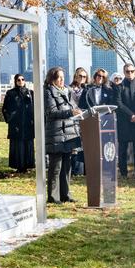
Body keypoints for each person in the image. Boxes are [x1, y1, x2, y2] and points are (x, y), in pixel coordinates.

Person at [42, 67, 82, 204]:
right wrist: (70, 112)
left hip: (69, 133)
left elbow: (74, 108)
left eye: (63, 77)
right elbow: (51, 112)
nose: (61, 80)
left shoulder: (68, 91)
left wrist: (78, 112)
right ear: (52, 78)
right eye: (58, 77)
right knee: (56, 167)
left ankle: (66, 195)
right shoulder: (48, 92)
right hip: (56, 134)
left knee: (67, 166)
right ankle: (53, 197)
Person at [114, 64, 135, 179]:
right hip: (124, 121)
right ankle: (123, 173)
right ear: (124, 72)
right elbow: (118, 103)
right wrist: (131, 114)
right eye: (127, 71)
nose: (129, 73)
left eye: (132, 71)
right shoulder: (120, 86)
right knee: (122, 149)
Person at [3, 74, 35, 173]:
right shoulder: (10, 93)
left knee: (27, 144)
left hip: (28, 123)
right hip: (16, 124)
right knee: (18, 145)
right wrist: (11, 118)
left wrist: (33, 119)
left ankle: (27, 165)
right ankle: (18, 166)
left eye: (22, 79)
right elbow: (5, 108)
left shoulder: (30, 92)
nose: (21, 81)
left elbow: (34, 106)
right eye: (18, 80)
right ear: (15, 81)